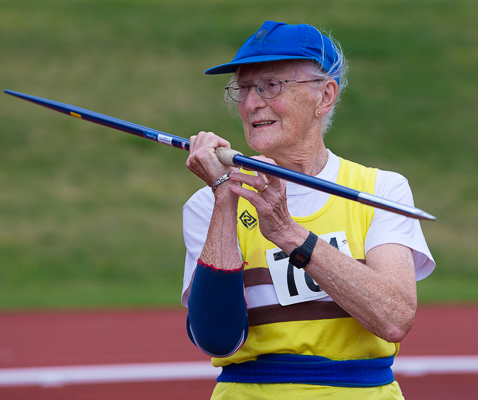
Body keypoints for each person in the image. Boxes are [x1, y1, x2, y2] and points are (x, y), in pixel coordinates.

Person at [181, 20, 435, 399]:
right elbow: (216, 339)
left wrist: (288, 233)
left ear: (325, 96)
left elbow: (394, 319)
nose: (251, 103)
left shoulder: (380, 190)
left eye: (271, 85)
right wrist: (222, 197)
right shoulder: (211, 201)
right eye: (244, 88)